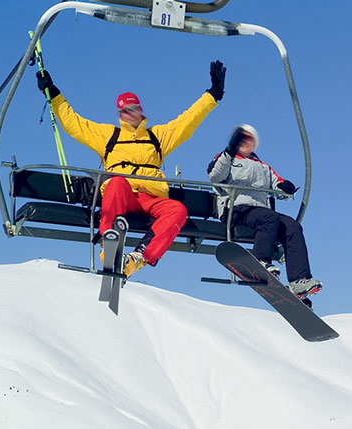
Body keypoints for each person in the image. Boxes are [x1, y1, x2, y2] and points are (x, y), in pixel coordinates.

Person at [35, 61, 226, 277]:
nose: (130, 114)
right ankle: (109, 244)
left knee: (178, 210)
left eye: (134, 109)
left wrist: (212, 95)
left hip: (151, 198)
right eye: (125, 111)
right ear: (120, 114)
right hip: (123, 196)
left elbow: (187, 122)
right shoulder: (109, 136)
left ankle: (138, 258)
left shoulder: (157, 137)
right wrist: (53, 93)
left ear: (140, 110)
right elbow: (74, 123)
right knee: (116, 182)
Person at [207, 125, 322, 302]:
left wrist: (284, 187)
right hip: (235, 208)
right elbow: (215, 176)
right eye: (242, 138)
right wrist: (229, 152)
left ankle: (299, 279)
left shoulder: (263, 166)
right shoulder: (227, 159)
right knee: (269, 217)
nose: (246, 142)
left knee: (292, 226)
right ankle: (260, 261)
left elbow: (276, 183)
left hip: (260, 212)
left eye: (250, 139)